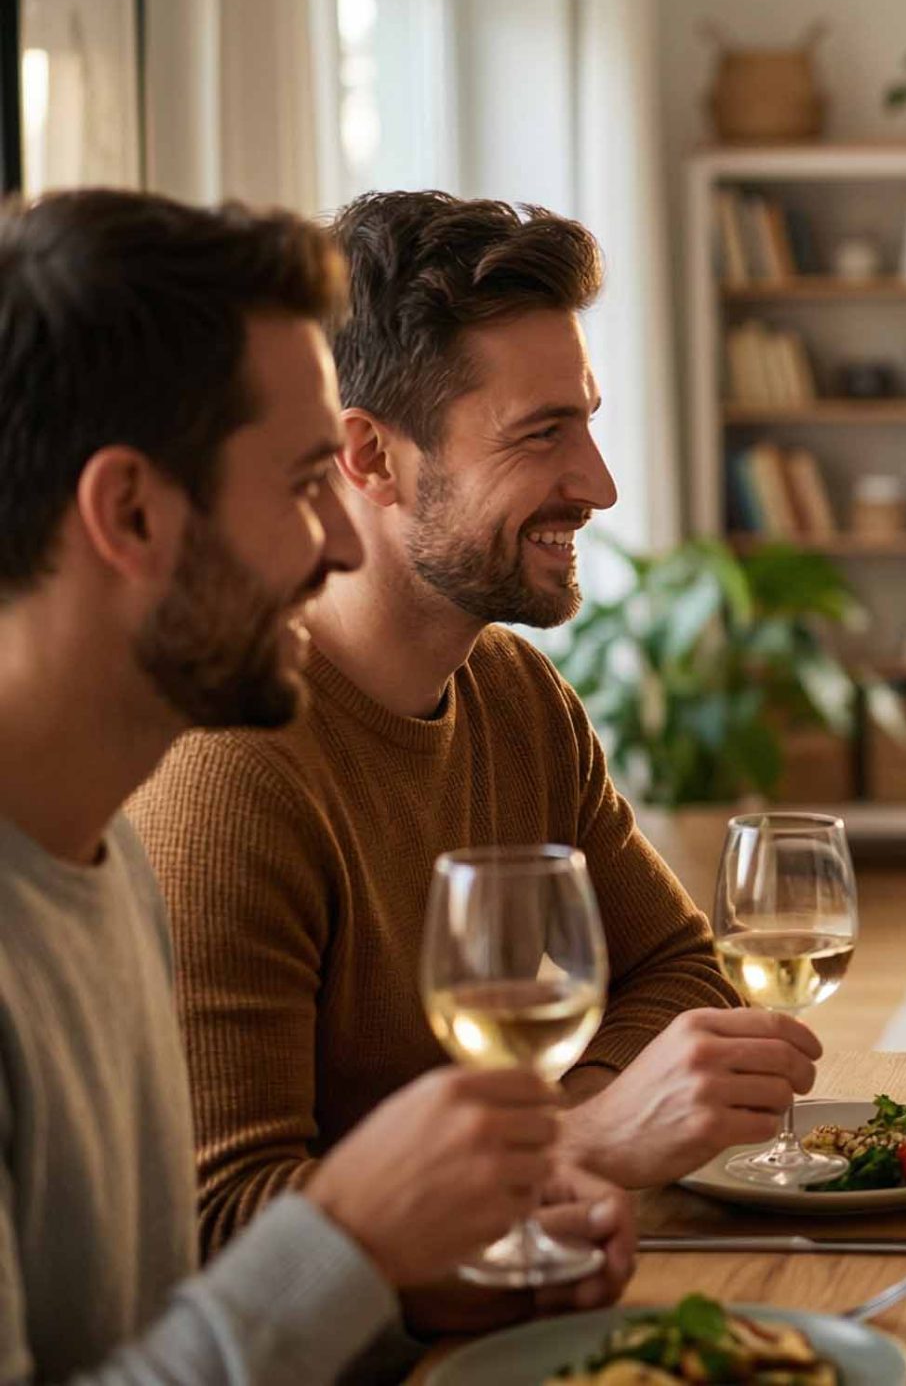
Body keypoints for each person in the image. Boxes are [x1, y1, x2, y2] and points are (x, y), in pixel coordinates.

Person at [0, 189, 632, 1384]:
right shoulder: (181, 806)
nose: (340, 546)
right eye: (301, 483)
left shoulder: (97, 854)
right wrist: (347, 1235)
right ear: (130, 513)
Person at [126, 192, 820, 1261]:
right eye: (544, 434)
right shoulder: (232, 769)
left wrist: (561, 1154)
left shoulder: (515, 693)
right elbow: (220, 1225)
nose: (598, 484)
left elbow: (680, 969)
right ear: (368, 456)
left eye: (587, 419)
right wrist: (577, 1142)